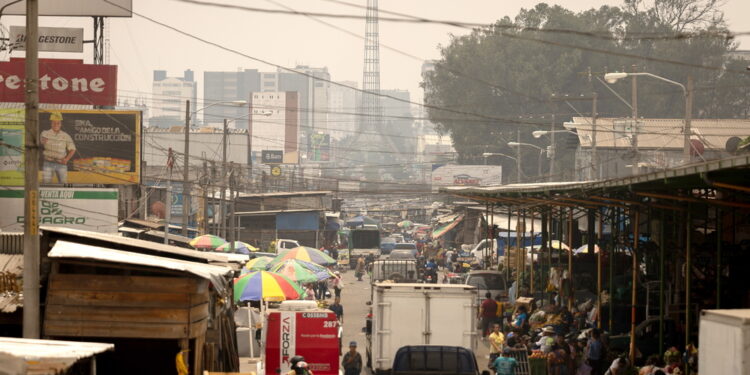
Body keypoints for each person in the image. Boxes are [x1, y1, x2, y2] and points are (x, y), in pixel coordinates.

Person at [41, 111, 76, 184]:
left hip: (61, 163)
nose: (56, 125)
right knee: (46, 184)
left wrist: (66, 159)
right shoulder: (45, 133)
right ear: (51, 123)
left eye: (58, 123)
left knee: (63, 184)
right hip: (48, 162)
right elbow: (42, 142)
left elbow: (73, 149)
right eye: (54, 122)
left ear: (60, 124)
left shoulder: (65, 135)